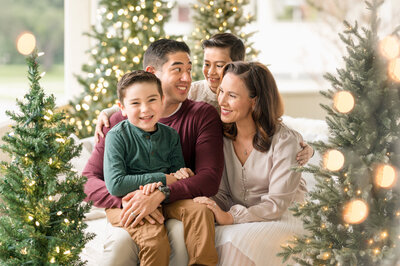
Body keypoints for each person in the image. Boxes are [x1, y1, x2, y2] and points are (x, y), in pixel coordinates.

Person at [83, 39, 223, 266]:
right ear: (152, 73)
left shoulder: (197, 117)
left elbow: (203, 178)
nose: (187, 78)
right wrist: (132, 200)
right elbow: (89, 181)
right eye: (177, 69)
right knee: (144, 242)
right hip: (126, 202)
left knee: (200, 210)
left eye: (189, 69)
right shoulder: (117, 125)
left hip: (168, 197)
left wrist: (160, 192)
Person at [95, 33, 312, 165]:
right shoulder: (192, 91)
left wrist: (307, 148)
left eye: (220, 65)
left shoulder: (249, 95)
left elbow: (275, 126)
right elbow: (149, 100)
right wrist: (109, 112)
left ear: (237, 65)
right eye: (206, 64)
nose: (211, 72)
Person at [194, 61, 307, 226]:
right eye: (222, 91)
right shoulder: (222, 137)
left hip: (285, 220)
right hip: (244, 218)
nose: (222, 101)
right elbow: (223, 195)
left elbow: (276, 205)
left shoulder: (285, 141)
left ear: (254, 101)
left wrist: (232, 217)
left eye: (232, 95)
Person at [103, 70, 196, 265]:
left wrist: (183, 174)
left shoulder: (170, 136)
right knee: (154, 242)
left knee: (199, 211)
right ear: (122, 108)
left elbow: (177, 176)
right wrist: (163, 178)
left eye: (152, 100)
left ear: (162, 100)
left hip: (159, 199)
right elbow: (116, 184)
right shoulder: (116, 136)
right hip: (124, 202)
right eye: (135, 103)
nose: (145, 109)